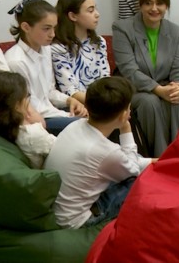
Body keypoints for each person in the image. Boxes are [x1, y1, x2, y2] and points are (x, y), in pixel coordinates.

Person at [44, 77, 152, 229]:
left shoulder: (75, 125)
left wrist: (151, 161)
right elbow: (133, 170)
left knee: (131, 159)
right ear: (123, 115)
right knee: (138, 181)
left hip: (58, 211)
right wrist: (126, 129)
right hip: (79, 221)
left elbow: (121, 159)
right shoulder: (106, 151)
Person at [112, 0, 179, 157]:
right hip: (134, 89)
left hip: (165, 86)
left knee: (177, 101)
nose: (154, 8)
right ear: (140, 5)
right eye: (148, 3)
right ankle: (157, 159)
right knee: (150, 102)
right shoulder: (122, 28)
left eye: (159, 3)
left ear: (166, 6)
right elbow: (129, 70)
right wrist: (158, 90)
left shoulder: (175, 31)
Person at [5, 0, 87, 135]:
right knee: (90, 124)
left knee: (104, 115)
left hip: (50, 111)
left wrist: (69, 100)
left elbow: (49, 91)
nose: (53, 34)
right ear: (26, 27)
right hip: (34, 119)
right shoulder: (16, 61)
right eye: (46, 28)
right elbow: (31, 106)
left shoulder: (46, 49)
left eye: (54, 27)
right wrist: (66, 115)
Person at [51, 0, 111, 105]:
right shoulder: (58, 48)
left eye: (96, 9)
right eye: (90, 10)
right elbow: (70, 90)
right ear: (73, 16)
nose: (97, 14)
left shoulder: (99, 42)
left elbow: (105, 79)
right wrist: (102, 104)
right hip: (77, 105)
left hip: (102, 101)